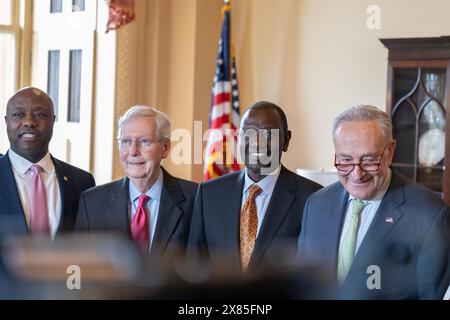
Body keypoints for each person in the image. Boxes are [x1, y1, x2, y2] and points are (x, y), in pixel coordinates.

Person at [297, 105, 450, 299]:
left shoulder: (431, 215)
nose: (357, 174)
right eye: (345, 160)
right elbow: (301, 285)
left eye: (369, 160)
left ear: (390, 152)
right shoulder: (316, 204)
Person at [187, 101, 322, 274]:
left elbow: (312, 273)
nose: (256, 143)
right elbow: (194, 265)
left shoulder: (313, 198)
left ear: (286, 140)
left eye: (267, 134)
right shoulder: (209, 194)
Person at [75, 106, 198, 259]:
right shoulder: (91, 202)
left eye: (144, 141)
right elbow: (82, 267)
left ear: (165, 148)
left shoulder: (197, 199)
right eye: (125, 141)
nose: (133, 151)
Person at [0, 87, 95, 240]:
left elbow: (87, 246)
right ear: (6, 121)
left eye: (40, 115)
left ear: (53, 120)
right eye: (19, 115)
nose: (29, 122)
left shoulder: (82, 182)